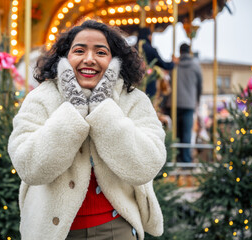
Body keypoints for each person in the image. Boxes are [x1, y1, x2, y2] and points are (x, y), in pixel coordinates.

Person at [8, 20, 166, 240]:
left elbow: (147, 164)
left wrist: (103, 110)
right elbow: (29, 167)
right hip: (54, 232)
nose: (89, 59)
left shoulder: (134, 101)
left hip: (116, 229)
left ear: (114, 60)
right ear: (64, 57)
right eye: (79, 50)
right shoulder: (40, 98)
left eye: (101, 52)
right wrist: (72, 111)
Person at [167, 43, 202, 163]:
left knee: (175, 133)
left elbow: (169, 82)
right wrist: (196, 101)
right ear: (189, 51)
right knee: (187, 133)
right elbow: (199, 86)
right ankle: (186, 160)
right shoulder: (196, 66)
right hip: (189, 104)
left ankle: (174, 157)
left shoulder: (175, 65)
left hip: (173, 103)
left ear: (180, 52)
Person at [138, 27, 176, 98]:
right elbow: (163, 64)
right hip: (148, 83)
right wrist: (173, 63)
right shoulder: (151, 50)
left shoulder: (132, 48)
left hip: (134, 84)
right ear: (148, 36)